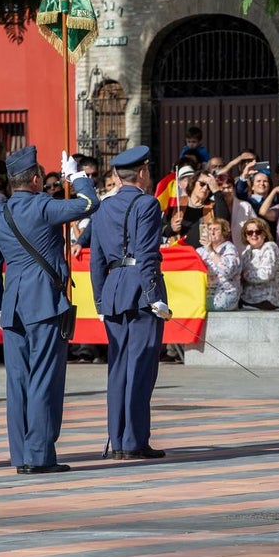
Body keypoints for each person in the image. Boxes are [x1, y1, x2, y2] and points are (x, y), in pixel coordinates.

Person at [0, 146, 100, 474]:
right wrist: (76, 177)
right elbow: (90, 204)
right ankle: (39, 455)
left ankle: (21, 455)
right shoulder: (44, 206)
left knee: (18, 382)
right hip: (45, 303)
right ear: (35, 179)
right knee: (43, 379)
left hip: (12, 307)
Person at [87, 145, 167, 460]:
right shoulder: (148, 203)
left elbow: (96, 260)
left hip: (113, 290)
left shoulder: (103, 207)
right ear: (142, 172)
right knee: (141, 367)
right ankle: (134, 440)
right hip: (140, 291)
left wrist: (99, 300)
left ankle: (118, 439)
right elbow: (146, 255)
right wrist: (154, 296)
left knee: (118, 368)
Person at [240, 217, 279, 310]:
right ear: (246, 236)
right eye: (250, 232)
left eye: (258, 232)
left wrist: (244, 275)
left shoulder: (269, 247)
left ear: (264, 234)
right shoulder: (246, 252)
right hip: (248, 297)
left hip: (267, 299)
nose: (254, 235)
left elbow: (265, 275)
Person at [197, 217, 242, 311]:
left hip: (225, 295)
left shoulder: (230, 248)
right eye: (209, 229)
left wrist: (211, 251)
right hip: (205, 294)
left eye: (216, 229)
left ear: (224, 233)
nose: (212, 232)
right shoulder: (200, 251)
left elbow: (228, 271)